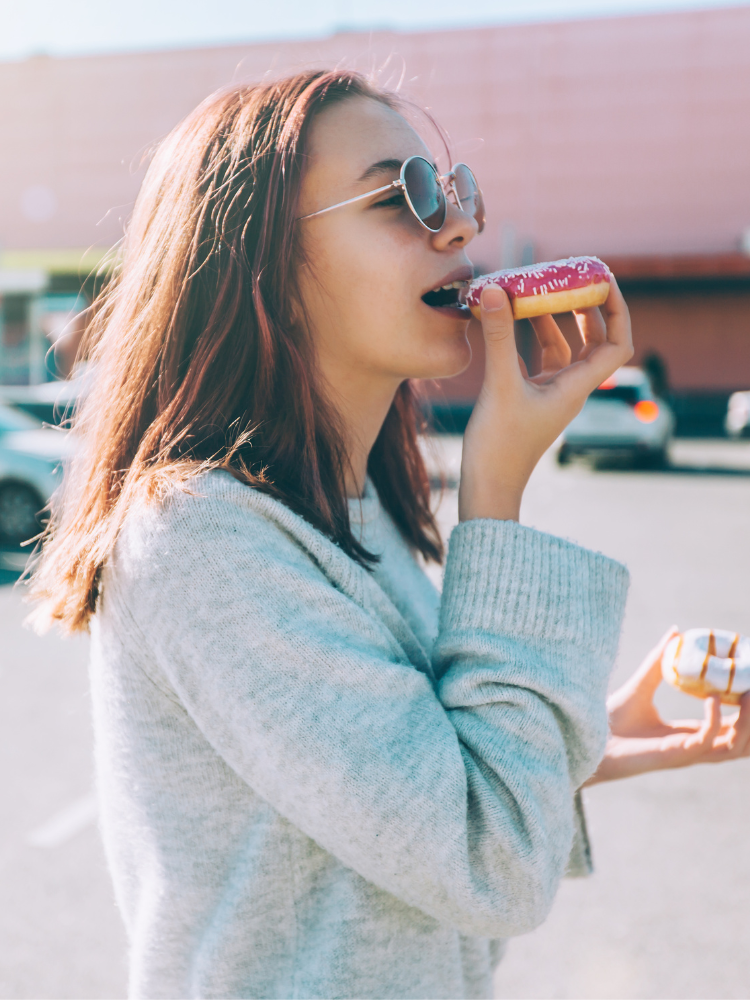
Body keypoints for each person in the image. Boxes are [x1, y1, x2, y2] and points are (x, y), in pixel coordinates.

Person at [28, 71, 750, 1000]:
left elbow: (404, 784)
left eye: (449, 191)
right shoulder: (197, 539)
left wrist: (606, 730)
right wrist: (495, 492)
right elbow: (488, 859)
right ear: (262, 270)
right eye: (397, 194)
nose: (456, 228)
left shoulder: (351, 503)